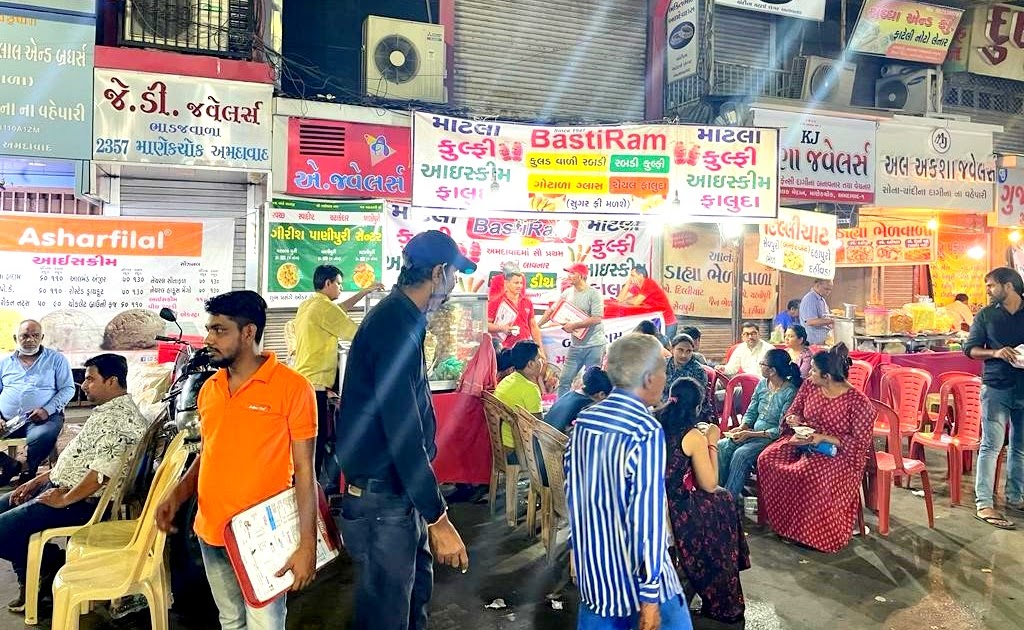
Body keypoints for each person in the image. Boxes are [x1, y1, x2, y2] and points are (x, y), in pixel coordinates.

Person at [333, 230, 472, 629]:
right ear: (440, 272)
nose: (453, 286)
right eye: (454, 276)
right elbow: (403, 432)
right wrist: (439, 518)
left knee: (412, 603)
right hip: (383, 500)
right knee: (387, 616)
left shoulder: (404, 319)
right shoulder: (395, 325)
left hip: (397, 497)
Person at [156, 291, 318, 629]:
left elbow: (305, 471)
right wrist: (177, 494)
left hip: (263, 537)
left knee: (265, 624)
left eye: (219, 330)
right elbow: (210, 452)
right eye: (208, 329)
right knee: (230, 620)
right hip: (211, 531)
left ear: (248, 332)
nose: (209, 339)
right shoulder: (210, 388)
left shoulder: (292, 388)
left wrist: (307, 545)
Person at [0, 353, 146, 612]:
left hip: (81, 502)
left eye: (90, 379)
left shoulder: (119, 420)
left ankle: (45, 569)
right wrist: (40, 479)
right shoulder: (107, 411)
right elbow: (78, 458)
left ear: (111, 381)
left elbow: (102, 473)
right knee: (7, 511)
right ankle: (39, 577)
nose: (84, 385)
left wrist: (65, 498)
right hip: (61, 487)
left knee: (3, 529)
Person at [565, 334, 691, 630]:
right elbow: (646, 517)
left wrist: (575, 547)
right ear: (649, 378)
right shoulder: (644, 429)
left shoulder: (586, 419)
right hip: (637, 582)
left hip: (594, 575)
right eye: (663, 369)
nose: (666, 377)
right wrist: (650, 597)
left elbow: (573, 492)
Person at [756, 344, 875, 553]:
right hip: (804, 440)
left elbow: (858, 444)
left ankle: (812, 535)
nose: (808, 374)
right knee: (768, 458)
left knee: (811, 473)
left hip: (838, 454)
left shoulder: (859, 403)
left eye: (813, 371)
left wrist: (824, 438)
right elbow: (795, 410)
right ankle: (785, 525)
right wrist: (794, 419)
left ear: (827, 376)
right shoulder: (811, 386)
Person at [660, 377, 750, 624]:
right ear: (697, 408)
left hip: (650, 495)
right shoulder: (691, 436)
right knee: (723, 501)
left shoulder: (655, 419)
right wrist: (711, 441)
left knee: (720, 501)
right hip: (674, 504)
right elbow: (710, 484)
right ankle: (721, 594)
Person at [293, 264, 382, 494]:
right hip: (314, 385)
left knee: (308, 442)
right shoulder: (323, 308)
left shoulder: (311, 304)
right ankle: (310, 496)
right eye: (339, 284)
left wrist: (363, 293)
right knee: (316, 442)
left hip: (303, 381)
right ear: (328, 283)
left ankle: (308, 490)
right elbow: (357, 333)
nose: (341, 288)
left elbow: (340, 309)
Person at [964, 267, 1024, 529]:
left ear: (1008, 286)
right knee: (991, 445)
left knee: (1020, 447)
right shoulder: (986, 315)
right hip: (996, 387)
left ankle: (1016, 497)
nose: (987, 290)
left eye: (991, 285)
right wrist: (997, 353)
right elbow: (971, 350)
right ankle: (984, 503)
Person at [717, 349, 800, 501]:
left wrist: (749, 434)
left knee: (741, 454)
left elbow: (781, 428)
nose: (760, 366)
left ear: (772, 370)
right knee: (723, 446)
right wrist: (743, 426)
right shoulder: (763, 384)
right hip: (752, 433)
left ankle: (729, 500)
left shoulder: (790, 392)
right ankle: (719, 494)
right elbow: (751, 410)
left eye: (762, 364)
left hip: (772, 439)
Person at [0, 320, 75, 486]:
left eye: (35, 336)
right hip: (6, 421)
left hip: (43, 418)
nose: (30, 340)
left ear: (42, 337)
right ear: (15, 338)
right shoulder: (4, 364)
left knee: (42, 436)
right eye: (24, 336)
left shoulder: (56, 360)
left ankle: (29, 471)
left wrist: (47, 410)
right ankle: (9, 464)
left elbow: (68, 389)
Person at [538, 263, 606, 397]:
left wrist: (574, 326)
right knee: (564, 379)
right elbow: (552, 311)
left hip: (595, 345)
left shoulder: (594, 294)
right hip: (576, 345)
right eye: (568, 273)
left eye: (572, 273)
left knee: (591, 383)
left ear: (581, 276)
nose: (568, 276)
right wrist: (537, 325)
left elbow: (597, 318)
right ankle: (561, 409)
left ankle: (588, 409)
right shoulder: (567, 293)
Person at [494, 340, 544, 450]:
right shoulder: (530, 389)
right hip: (518, 450)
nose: (542, 361)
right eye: (539, 358)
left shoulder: (507, 380)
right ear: (531, 364)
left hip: (501, 444)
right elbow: (539, 428)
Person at [488, 266, 544, 355]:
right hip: (504, 350)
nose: (519, 286)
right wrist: (502, 328)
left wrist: (541, 351)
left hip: (524, 348)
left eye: (521, 283)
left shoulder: (527, 302)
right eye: (516, 283)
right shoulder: (496, 302)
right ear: (506, 283)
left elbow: (533, 326)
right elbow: (486, 325)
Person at [543, 366, 612, 433]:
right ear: (601, 394)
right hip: (554, 441)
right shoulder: (588, 405)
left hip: (542, 436)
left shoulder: (571, 394)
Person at [618, 264, 678, 338]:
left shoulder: (649, 283)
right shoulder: (636, 287)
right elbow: (620, 299)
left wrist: (628, 300)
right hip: (656, 321)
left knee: (666, 347)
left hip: (667, 322)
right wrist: (628, 283)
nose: (631, 278)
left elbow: (636, 302)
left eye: (632, 275)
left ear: (641, 275)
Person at [664, 334, 711, 420]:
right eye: (680, 350)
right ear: (672, 349)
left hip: (690, 412)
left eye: (688, 351)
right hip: (664, 408)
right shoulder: (662, 365)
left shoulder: (698, 371)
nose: (684, 355)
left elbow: (698, 400)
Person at [799, 279, 834, 346]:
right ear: (817, 285)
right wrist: (832, 321)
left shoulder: (821, 299)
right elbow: (811, 321)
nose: (828, 292)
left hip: (821, 342)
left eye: (830, 290)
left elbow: (825, 317)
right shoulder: (810, 299)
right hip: (812, 343)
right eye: (826, 289)